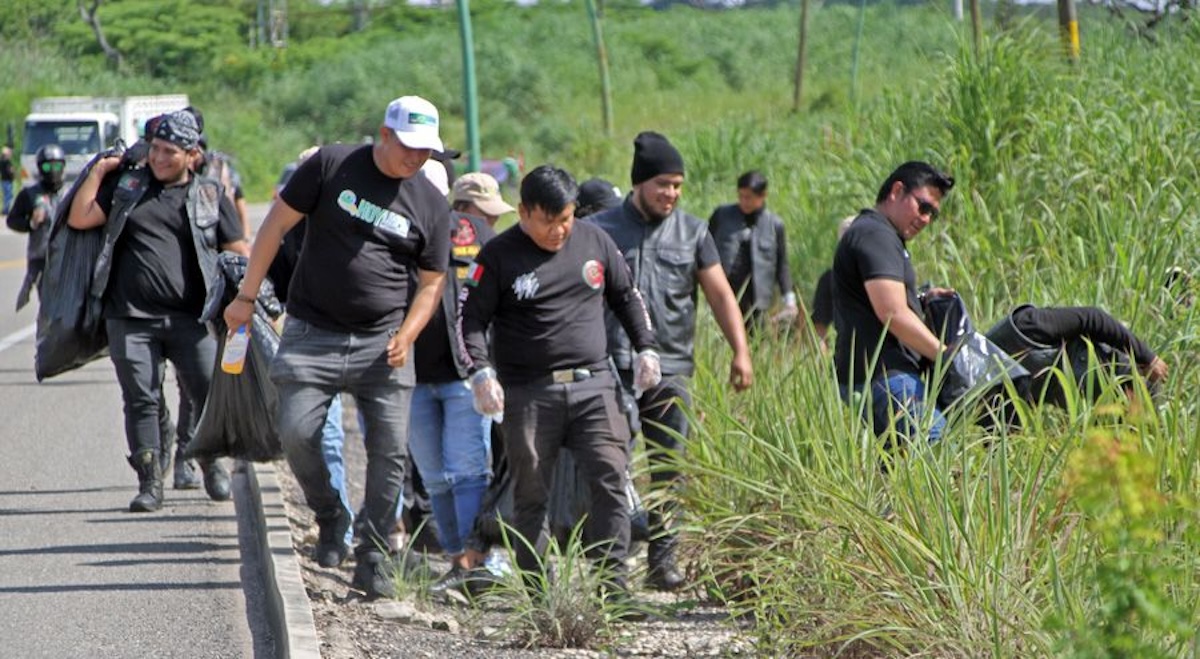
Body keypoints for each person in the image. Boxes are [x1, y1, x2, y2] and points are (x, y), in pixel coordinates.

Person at [223, 95, 450, 599]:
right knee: (296, 432)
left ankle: (371, 556)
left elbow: (432, 281)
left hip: (383, 342)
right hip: (312, 333)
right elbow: (275, 227)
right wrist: (246, 296)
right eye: (409, 147)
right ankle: (330, 512)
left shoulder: (432, 203)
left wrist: (408, 333)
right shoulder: (331, 165)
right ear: (384, 135)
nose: (417, 159)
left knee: (389, 452)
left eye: (426, 151)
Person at [458, 165, 661, 600]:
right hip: (529, 391)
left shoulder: (594, 241)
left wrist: (645, 347)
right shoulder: (498, 255)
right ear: (525, 212)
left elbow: (626, 295)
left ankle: (615, 589)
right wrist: (480, 372)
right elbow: (470, 320)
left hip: (595, 386)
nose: (559, 230)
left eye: (566, 219)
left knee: (610, 478)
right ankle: (538, 592)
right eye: (549, 222)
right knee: (531, 492)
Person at [587, 131, 753, 592]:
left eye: (678, 185)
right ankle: (611, 569)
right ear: (639, 183)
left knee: (669, 465)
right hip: (612, 362)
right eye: (663, 184)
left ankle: (663, 562)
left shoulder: (694, 231)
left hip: (672, 365)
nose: (671, 194)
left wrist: (741, 351)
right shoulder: (600, 229)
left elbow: (720, 294)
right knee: (610, 463)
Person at [65, 109, 248, 512]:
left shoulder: (210, 195)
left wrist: (245, 300)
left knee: (205, 392)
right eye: (155, 150)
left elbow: (238, 250)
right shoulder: (128, 187)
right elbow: (80, 218)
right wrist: (98, 172)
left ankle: (210, 459)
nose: (159, 159)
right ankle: (150, 483)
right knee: (141, 399)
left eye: (169, 152)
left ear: (191, 155)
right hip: (129, 318)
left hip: (192, 319)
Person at [411, 175, 506, 589]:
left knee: (468, 470)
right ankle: (456, 560)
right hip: (411, 372)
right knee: (434, 475)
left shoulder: (479, 235)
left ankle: (472, 561)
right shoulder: (396, 231)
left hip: (466, 373)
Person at [832, 160, 955, 448]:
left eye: (933, 215)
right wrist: (946, 356)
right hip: (888, 377)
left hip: (879, 378)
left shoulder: (879, 235)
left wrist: (922, 300)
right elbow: (892, 313)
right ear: (897, 191)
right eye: (923, 207)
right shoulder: (875, 233)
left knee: (900, 471)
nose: (926, 219)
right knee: (936, 458)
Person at [984, 304, 1168, 410]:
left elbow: (1092, 317)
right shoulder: (988, 390)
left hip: (1123, 375)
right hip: (1093, 410)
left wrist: (1147, 357)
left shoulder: (1024, 326)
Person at [708, 170, 799, 329]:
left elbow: (781, 264)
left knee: (756, 337)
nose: (744, 201)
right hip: (725, 291)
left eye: (748, 197)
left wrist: (789, 298)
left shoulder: (774, 225)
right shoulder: (722, 216)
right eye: (740, 196)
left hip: (758, 297)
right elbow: (705, 247)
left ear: (763, 195)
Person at [7, 144, 66, 310]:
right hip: (41, 258)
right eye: (47, 166)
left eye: (56, 165)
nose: (52, 170)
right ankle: (47, 334)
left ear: (63, 166)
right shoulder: (29, 194)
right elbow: (12, 220)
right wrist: (31, 223)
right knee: (48, 305)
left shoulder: (71, 193)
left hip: (67, 256)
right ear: (40, 168)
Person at [810, 215, 859, 352]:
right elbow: (820, 325)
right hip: (843, 353)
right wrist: (822, 357)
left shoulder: (879, 279)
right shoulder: (829, 279)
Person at [449, 171, 515, 228]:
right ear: (461, 208)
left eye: (497, 212)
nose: (493, 218)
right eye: (486, 212)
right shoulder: (442, 239)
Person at [1, 145, 15, 215]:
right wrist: (13, 171)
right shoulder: (7, 162)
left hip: (3, 180)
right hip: (8, 181)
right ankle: (6, 210)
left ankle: (5, 209)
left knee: (6, 195)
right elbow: (10, 170)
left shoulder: (1, 161)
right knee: (9, 195)